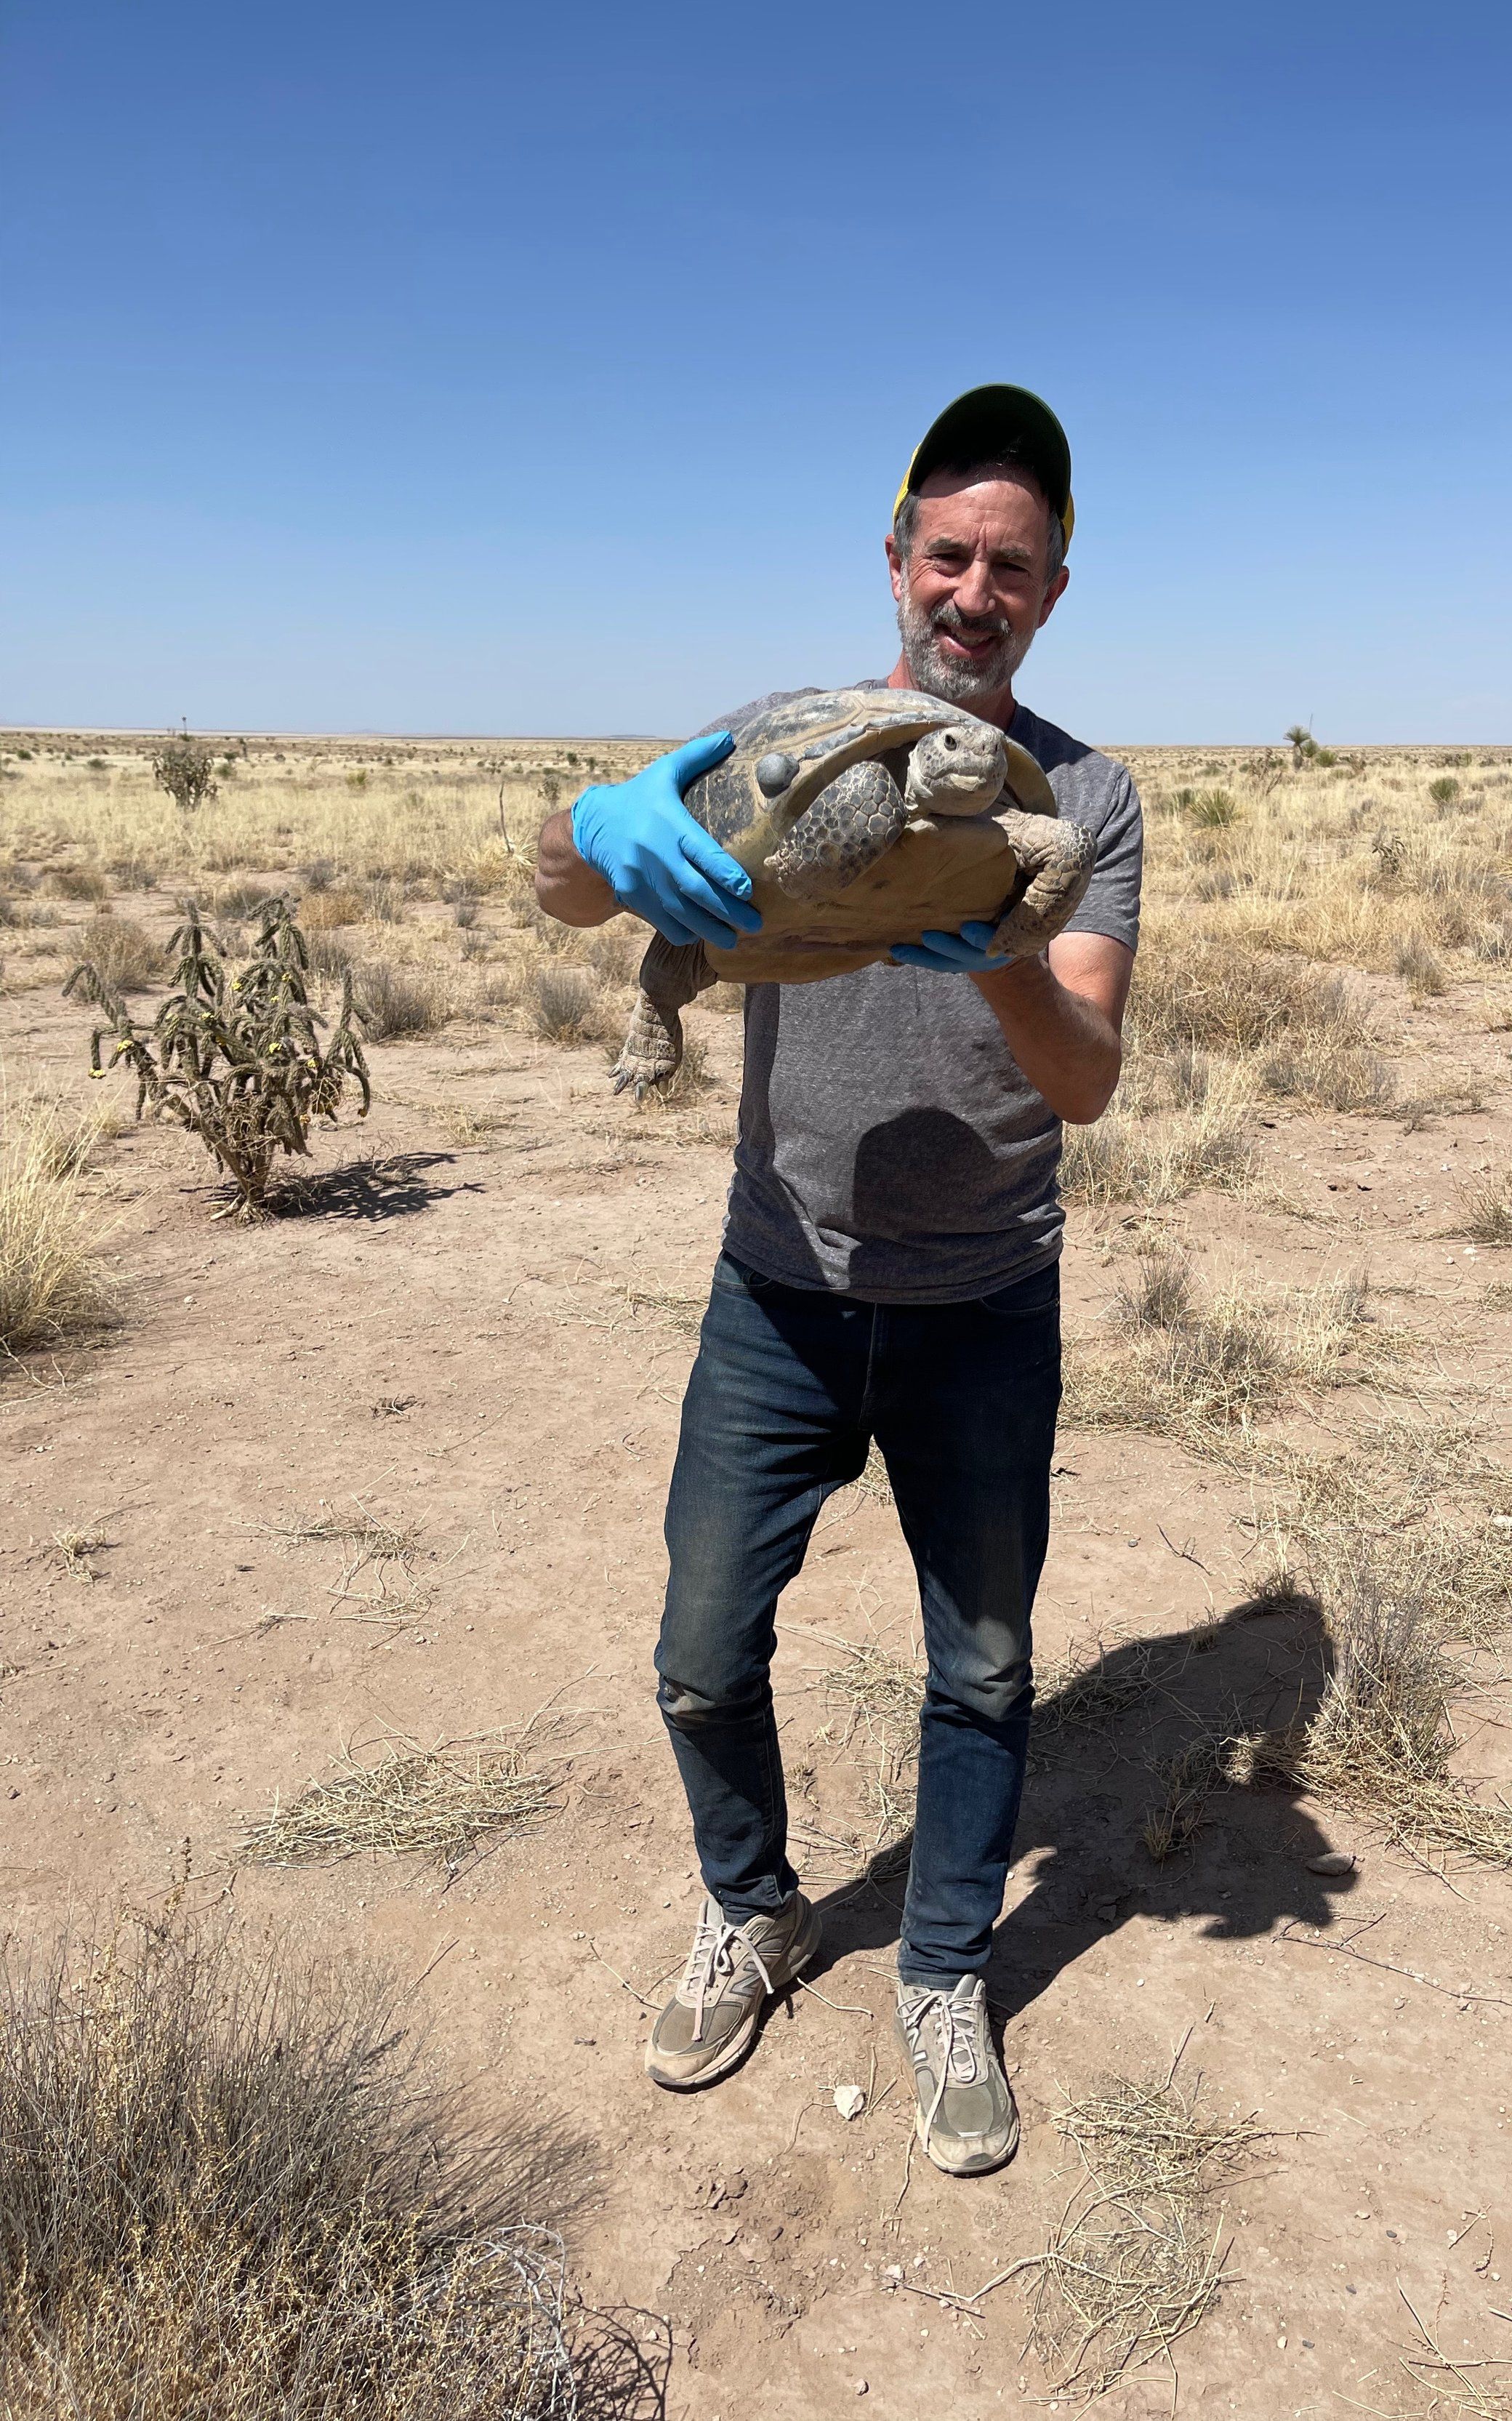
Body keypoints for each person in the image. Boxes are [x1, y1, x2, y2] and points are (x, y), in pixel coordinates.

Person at [536, 386, 1143, 2177]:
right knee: (699, 1647)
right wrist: (595, 820)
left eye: (1008, 566)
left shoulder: (1084, 801)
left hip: (981, 1307)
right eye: (945, 554)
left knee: (980, 1667)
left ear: (1050, 592)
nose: (972, 588)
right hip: (778, 1289)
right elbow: (567, 886)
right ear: (894, 562)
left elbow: (1087, 1076)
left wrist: (1000, 948)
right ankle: (757, 1907)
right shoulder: (768, 730)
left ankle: (942, 1965)